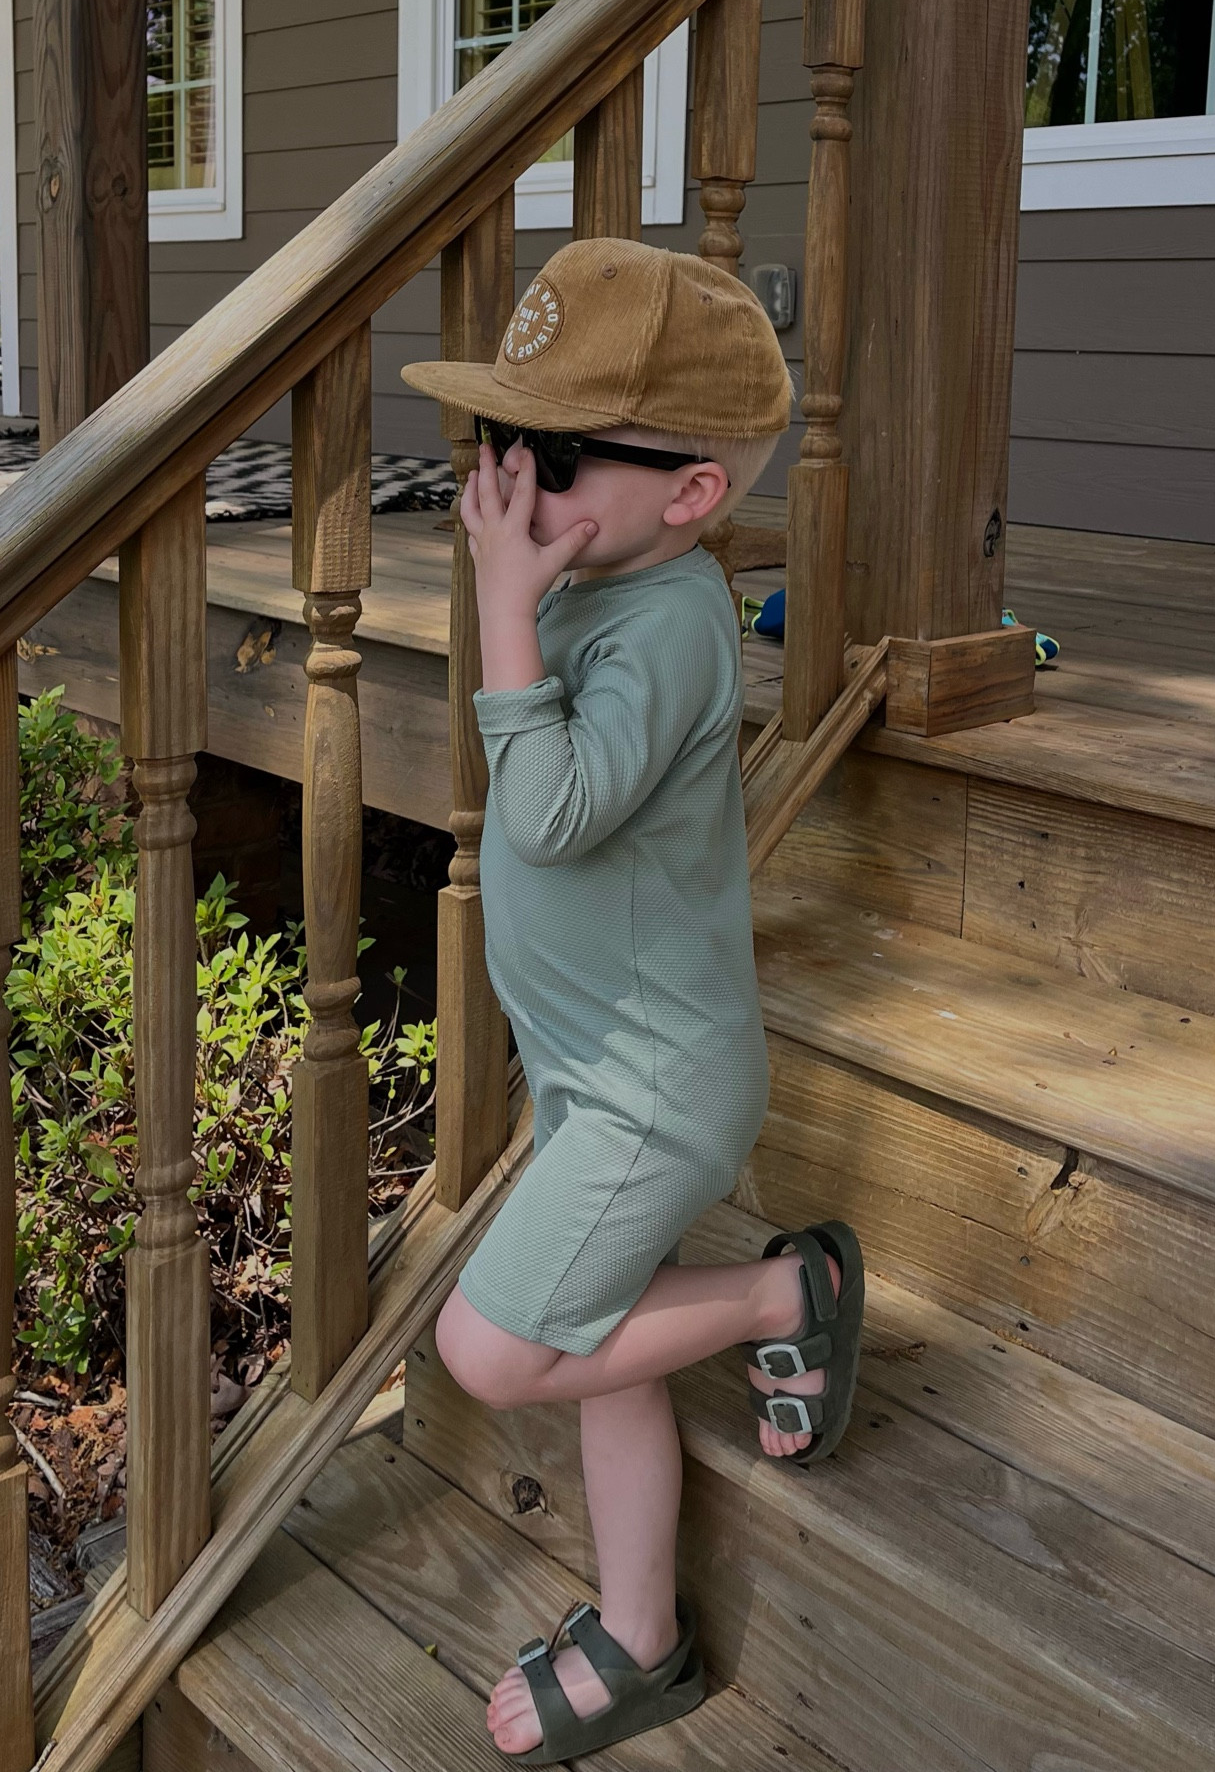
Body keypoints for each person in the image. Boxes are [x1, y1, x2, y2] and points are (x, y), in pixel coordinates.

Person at [402, 238, 864, 1764]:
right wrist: (524, 589)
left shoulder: (671, 627)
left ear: (690, 495)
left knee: (490, 1348)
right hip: (607, 1071)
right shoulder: (601, 580)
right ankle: (644, 1637)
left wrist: (502, 601)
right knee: (606, 1350)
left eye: (558, 453)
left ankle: (791, 1299)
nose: (512, 481)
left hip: (653, 1087)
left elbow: (549, 812)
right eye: (499, 439)